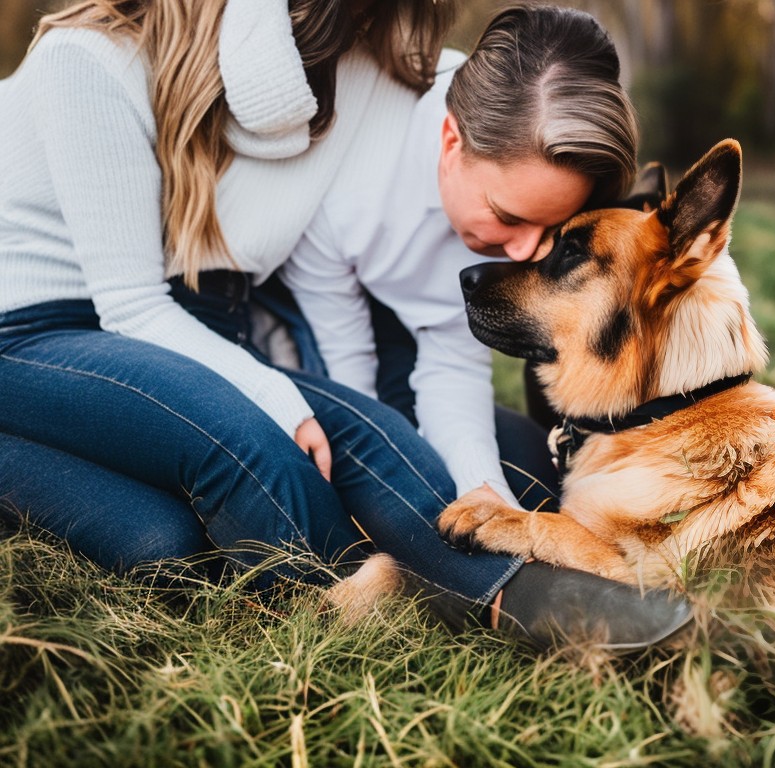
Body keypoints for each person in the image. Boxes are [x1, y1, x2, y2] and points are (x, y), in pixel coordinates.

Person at [0, 0, 690, 649]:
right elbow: (133, 304)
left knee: (161, 543)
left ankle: (431, 559)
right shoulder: (85, 60)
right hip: (36, 329)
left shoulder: (289, 85)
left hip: (151, 332)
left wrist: (483, 485)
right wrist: (277, 398)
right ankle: (516, 598)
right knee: (274, 442)